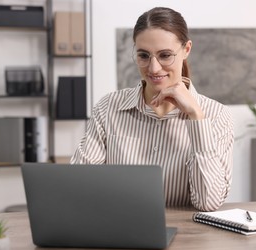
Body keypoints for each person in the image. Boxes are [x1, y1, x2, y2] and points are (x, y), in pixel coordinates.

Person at [71, 7, 234, 212]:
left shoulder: (217, 116)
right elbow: (79, 187)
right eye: (144, 55)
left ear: (186, 50)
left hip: (188, 239)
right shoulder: (108, 108)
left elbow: (208, 202)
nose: (154, 68)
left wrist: (196, 118)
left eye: (165, 55)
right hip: (119, 232)